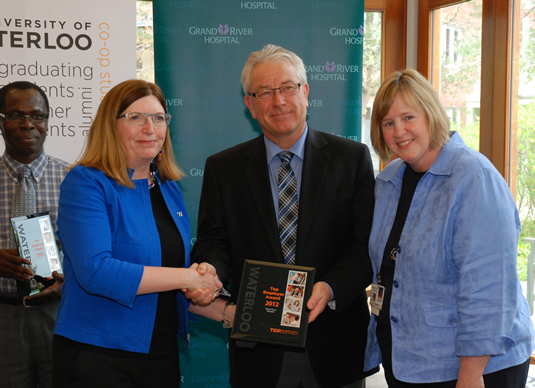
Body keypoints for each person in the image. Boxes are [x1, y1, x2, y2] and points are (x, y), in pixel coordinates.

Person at [188, 44, 377, 388]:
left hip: (335, 345)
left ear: (305, 92)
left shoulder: (352, 158)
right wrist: (210, 270)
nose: (278, 101)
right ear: (250, 104)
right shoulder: (224, 168)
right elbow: (213, 241)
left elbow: (365, 245)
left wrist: (331, 287)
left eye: (288, 88)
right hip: (259, 351)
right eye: (264, 93)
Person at [52, 79, 229, 388]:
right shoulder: (86, 183)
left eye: (159, 118)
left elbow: (167, 283)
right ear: (111, 125)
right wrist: (189, 278)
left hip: (161, 357)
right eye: (136, 117)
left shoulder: (169, 189)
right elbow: (96, 271)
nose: (151, 128)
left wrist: (231, 313)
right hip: (99, 359)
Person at [364, 69, 535, 387]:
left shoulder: (474, 178)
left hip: (475, 368)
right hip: (410, 359)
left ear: (431, 115)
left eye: (408, 117)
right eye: (388, 123)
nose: (399, 131)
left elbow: (488, 288)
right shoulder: (388, 182)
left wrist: (470, 375)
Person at [0, 81, 67, 388]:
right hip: (3, 315)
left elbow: (96, 249)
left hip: (61, 313)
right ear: (1, 121)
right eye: (15, 115)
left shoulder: (74, 179)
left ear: (48, 121)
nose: (28, 124)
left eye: (37, 116)